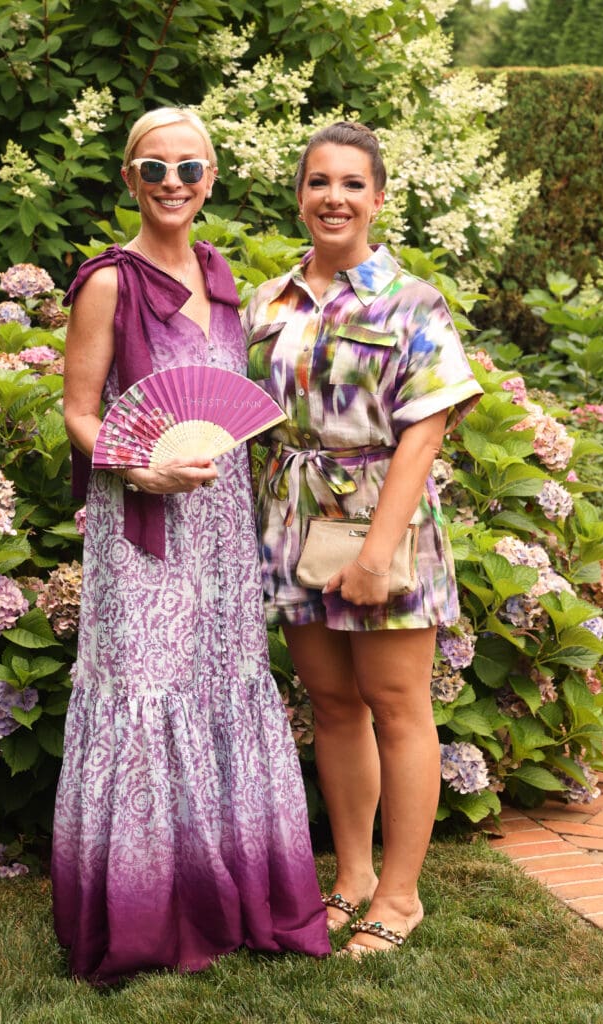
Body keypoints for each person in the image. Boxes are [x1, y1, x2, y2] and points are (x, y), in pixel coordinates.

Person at [50, 107, 329, 983]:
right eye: (154, 169)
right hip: (145, 524)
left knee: (216, 683)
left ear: (211, 180)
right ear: (130, 180)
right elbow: (79, 413)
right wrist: (140, 469)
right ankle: (142, 910)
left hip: (217, 526)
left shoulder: (219, 278)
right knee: (145, 688)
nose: (173, 184)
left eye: (189, 169)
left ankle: (224, 893)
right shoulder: (108, 283)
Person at [242, 122, 483, 957]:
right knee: (334, 706)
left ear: (378, 199)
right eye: (318, 182)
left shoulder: (411, 301)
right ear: (300, 194)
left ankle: (401, 895)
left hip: (385, 519)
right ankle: (348, 881)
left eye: (351, 184)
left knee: (396, 706)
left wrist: (379, 553)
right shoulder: (267, 302)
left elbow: (425, 430)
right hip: (292, 523)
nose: (333, 198)